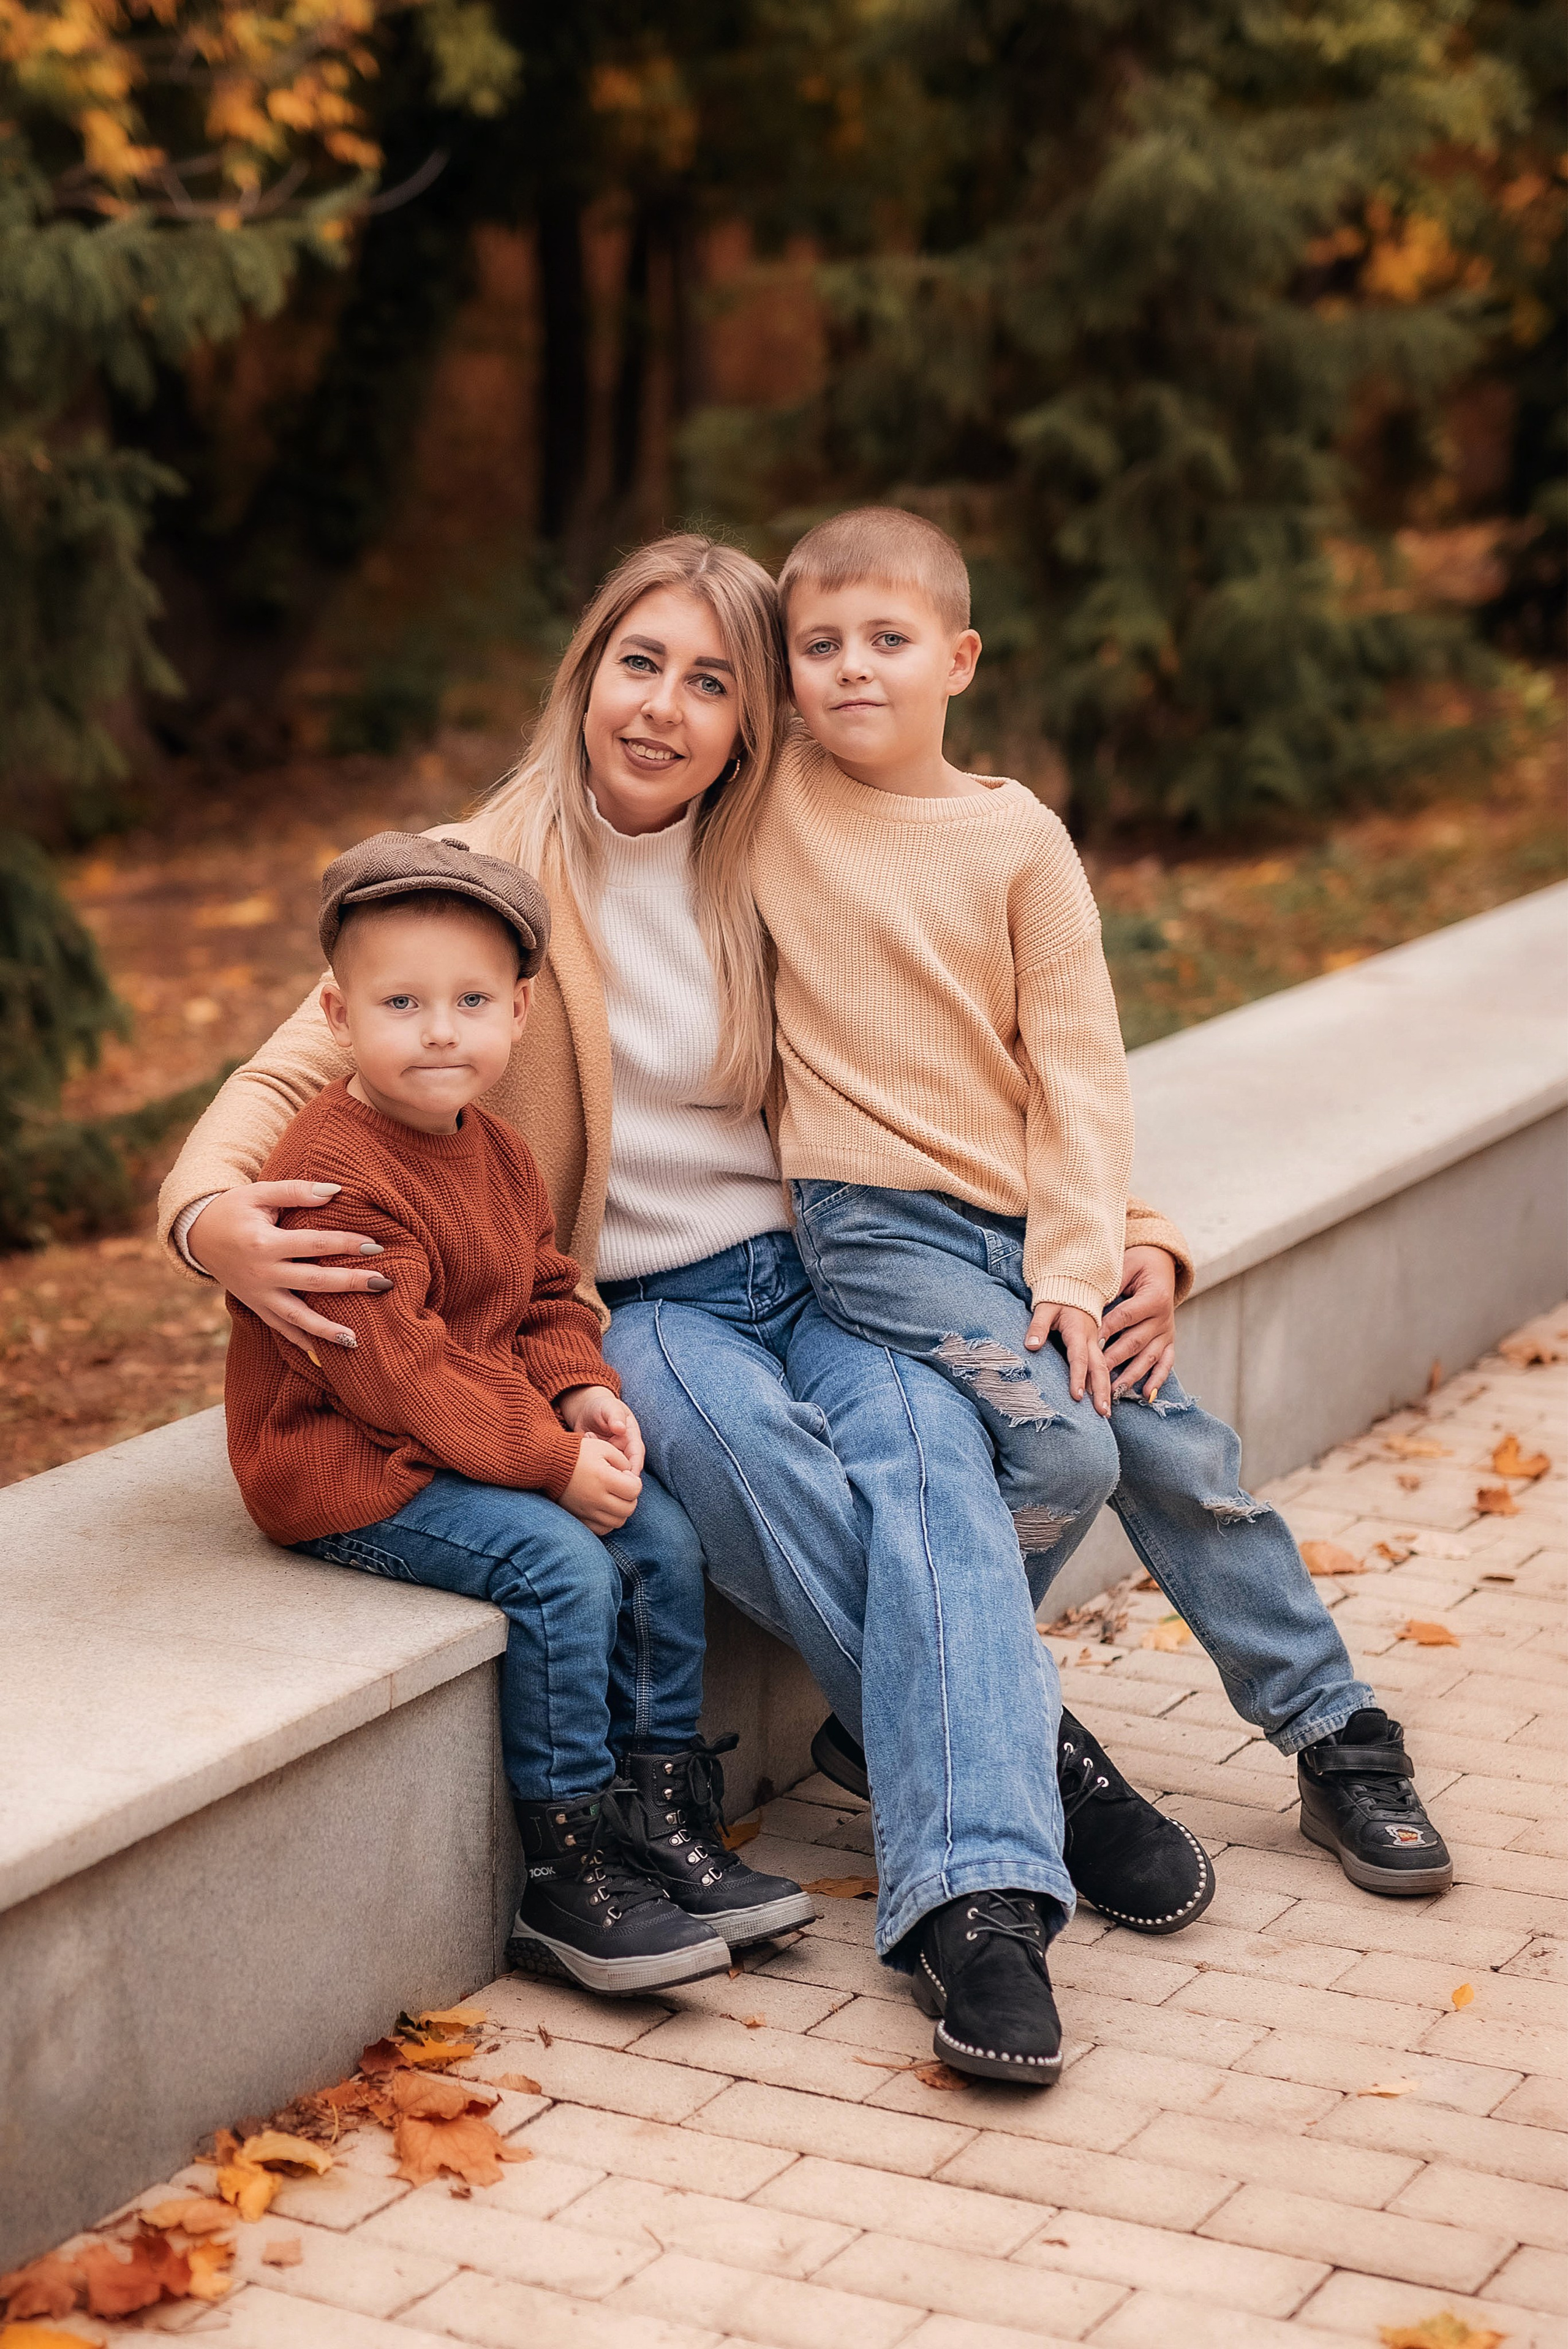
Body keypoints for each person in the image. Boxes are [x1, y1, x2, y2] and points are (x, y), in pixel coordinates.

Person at [158, 533, 1204, 2089]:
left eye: (710, 680)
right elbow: (285, 1068)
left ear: (751, 717)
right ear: (586, 672)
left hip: (833, 1273)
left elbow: (980, 1049)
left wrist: (1133, 1233)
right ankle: (1010, 1829)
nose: (663, 708)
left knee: (925, 1465)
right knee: (776, 1471)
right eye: (637, 664)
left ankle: (980, 1847)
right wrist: (207, 1219)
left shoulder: (787, 844)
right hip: (638, 1309)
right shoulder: (488, 872)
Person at [756, 503, 1453, 1907]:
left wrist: (1096, 1257)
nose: (849, 669)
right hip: (868, 1224)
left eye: (886, 639)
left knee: (1177, 1448)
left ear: (957, 659)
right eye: (816, 645)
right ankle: (929, 1687)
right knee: (1065, 1448)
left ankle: (1334, 1734)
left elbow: (1076, 1076)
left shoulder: (1021, 841)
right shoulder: (766, 803)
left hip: (1024, 1230)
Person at [224, 826, 813, 1996]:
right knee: (564, 1568)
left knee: (660, 1537)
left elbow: (542, 1292)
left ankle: (656, 1810)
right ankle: (567, 1869)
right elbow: (396, 1371)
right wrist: (548, 1463)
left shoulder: (491, 1148)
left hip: (466, 1432)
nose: (440, 1030)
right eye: (402, 1002)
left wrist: (580, 1389)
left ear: (520, 1014)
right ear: (339, 1018)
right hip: (346, 1460)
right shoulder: (337, 1170)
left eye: (470, 1000)